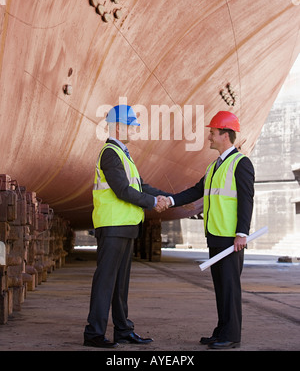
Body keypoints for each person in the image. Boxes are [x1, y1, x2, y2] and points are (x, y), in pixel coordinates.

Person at [164, 111, 255, 349]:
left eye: (212, 133)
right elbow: (196, 191)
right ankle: (222, 330)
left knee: (230, 286)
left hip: (230, 237)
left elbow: (247, 200)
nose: (209, 137)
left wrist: (242, 233)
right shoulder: (214, 166)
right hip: (215, 235)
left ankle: (232, 335)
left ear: (225, 135)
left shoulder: (241, 163)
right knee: (220, 286)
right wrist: (171, 200)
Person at [83, 104, 170, 348]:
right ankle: (94, 333)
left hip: (125, 227)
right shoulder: (110, 153)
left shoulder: (124, 154)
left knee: (120, 284)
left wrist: (170, 198)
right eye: (132, 124)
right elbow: (122, 190)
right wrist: (154, 202)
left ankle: (123, 330)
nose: (135, 129)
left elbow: (140, 186)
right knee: (106, 281)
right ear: (119, 127)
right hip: (112, 227)